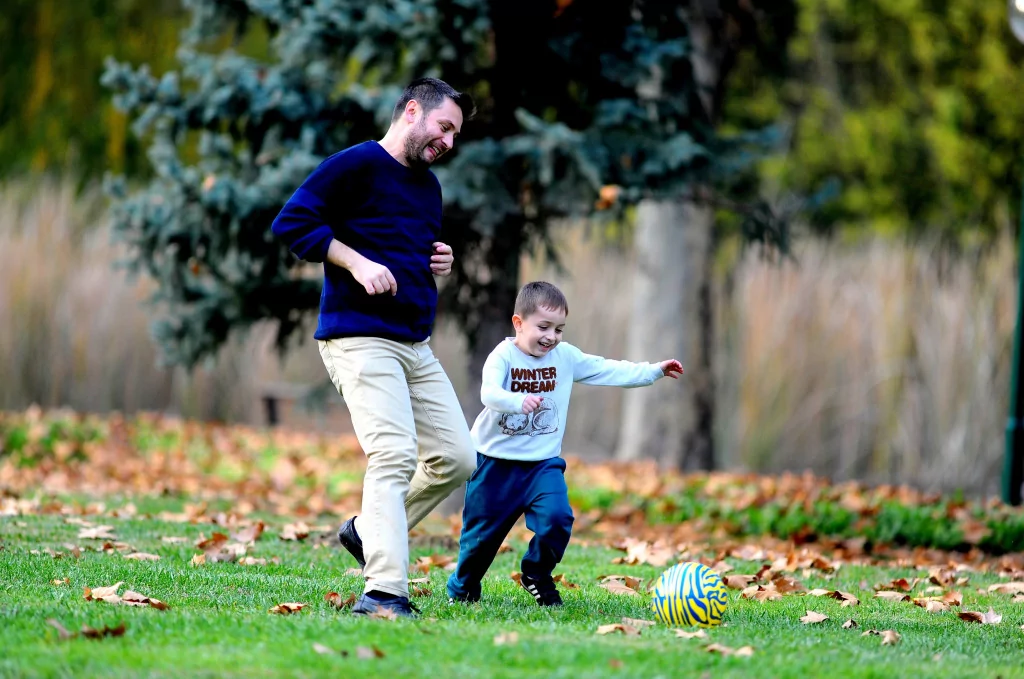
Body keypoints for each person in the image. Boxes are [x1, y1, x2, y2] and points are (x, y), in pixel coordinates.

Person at [271, 78, 478, 618]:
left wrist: (439, 262)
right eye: (444, 127)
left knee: (458, 457)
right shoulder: (356, 164)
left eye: (456, 134)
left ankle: (368, 531)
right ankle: (384, 591)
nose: (449, 142)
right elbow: (292, 222)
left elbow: (408, 247)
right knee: (392, 454)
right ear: (412, 111)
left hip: (415, 343)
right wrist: (355, 261)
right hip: (358, 337)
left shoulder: (428, 187)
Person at [446, 281, 684, 606]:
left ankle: (536, 573)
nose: (551, 336)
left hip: (542, 466)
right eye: (543, 326)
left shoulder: (565, 357)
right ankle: (463, 586)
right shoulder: (503, 356)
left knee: (557, 519)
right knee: (479, 543)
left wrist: (653, 371)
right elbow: (488, 393)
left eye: (559, 329)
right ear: (519, 322)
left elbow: (608, 369)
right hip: (493, 465)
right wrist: (517, 402)